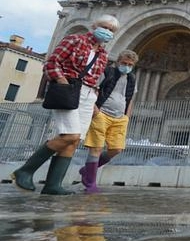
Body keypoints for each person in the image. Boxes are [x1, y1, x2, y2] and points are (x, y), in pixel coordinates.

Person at [12, 14, 118, 195]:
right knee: (70, 135)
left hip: (88, 95)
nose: (107, 32)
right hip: (68, 89)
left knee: (75, 140)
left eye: (111, 30)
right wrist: (62, 81)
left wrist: (93, 98)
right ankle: (25, 170)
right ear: (94, 26)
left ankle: (53, 185)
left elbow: (95, 78)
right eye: (104, 27)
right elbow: (52, 62)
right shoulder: (74, 40)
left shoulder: (103, 54)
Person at [79, 50, 139, 194]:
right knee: (96, 147)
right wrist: (95, 110)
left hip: (120, 118)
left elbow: (129, 98)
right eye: (124, 63)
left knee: (116, 149)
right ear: (118, 61)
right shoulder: (107, 72)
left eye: (130, 64)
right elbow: (94, 89)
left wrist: (127, 116)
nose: (126, 66)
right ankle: (90, 184)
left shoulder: (132, 78)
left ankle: (87, 170)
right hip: (102, 114)